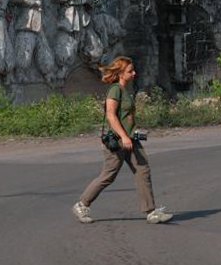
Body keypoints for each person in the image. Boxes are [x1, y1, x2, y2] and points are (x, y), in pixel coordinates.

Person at [72, 56, 173, 224]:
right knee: (108, 175)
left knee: (142, 170)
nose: (134, 73)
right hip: (118, 141)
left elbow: (126, 117)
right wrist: (125, 136)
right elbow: (111, 115)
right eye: (130, 71)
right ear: (120, 73)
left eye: (133, 70)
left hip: (130, 139)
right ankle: (82, 204)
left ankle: (151, 212)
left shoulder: (126, 91)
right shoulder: (115, 90)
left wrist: (134, 131)